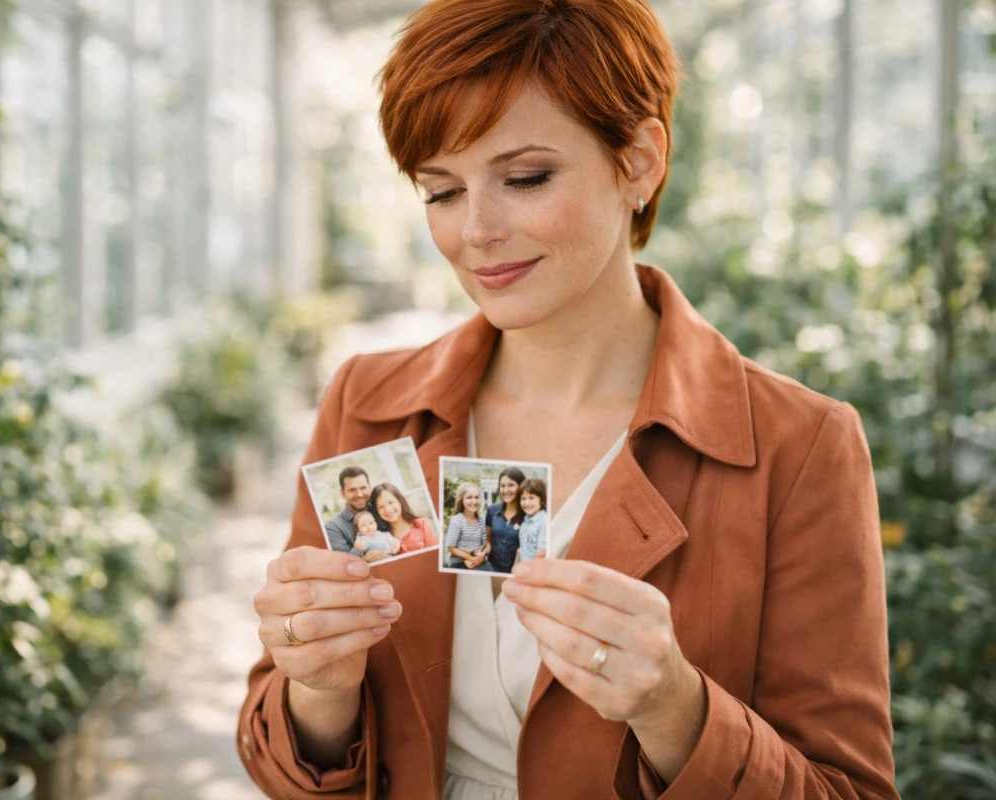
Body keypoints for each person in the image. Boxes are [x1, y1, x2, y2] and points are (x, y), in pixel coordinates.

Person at [241, 1, 896, 797]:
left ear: (640, 161)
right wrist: (319, 688)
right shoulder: (370, 404)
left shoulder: (799, 446)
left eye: (524, 178)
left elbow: (849, 789)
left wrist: (675, 710)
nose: (475, 231)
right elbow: (283, 756)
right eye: (441, 192)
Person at [369, 482, 438, 554]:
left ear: (400, 501)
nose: (388, 510)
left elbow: (434, 556)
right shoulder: (380, 537)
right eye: (381, 507)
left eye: (390, 502)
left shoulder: (421, 524)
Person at [484, 467, 526, 573]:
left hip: (517, 572)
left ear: (521, 486)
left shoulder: (528, 515)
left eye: (511, 485)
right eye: (502, 486)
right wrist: (484, 551)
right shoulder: (492, 511)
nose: (506, 490)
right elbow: (488, 540)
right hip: (492, 569)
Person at [322, 466, 370, 557]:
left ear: (369, 488)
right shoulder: (332, 527)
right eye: (352, 490)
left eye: (363, 488)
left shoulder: (382, 511)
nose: (359, 495)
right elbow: (345, 562)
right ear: (343, 494)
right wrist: (363, 551)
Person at [445, 482, 494, 571]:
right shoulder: (457, 520)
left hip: (479, 560)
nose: (474, 501)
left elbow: (486, 542)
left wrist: (482, 555)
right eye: (469, 497)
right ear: (461, 500)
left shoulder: (482, 520)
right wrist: (470, 558)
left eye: (476, 497)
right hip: (459, 561)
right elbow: (450, 547)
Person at [513, 478, 548, 564]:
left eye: (531, 498)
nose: (527, 503)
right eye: (523, 499)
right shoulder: (525, 521)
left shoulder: (544, 520)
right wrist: (515, 566)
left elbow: (541, 553)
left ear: (542, 500)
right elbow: (521, 549)